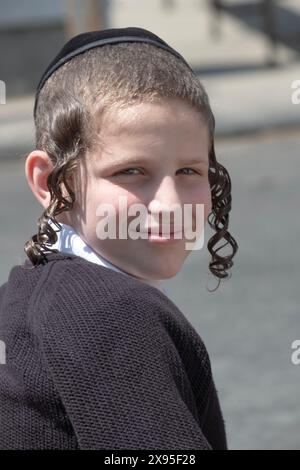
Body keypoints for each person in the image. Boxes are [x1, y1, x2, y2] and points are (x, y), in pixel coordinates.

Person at [0, 27, 238, 450]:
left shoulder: (20, 298)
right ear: (49, 180)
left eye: (189, 171)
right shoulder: (111, 313)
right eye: (131, 171)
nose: (168, 205)